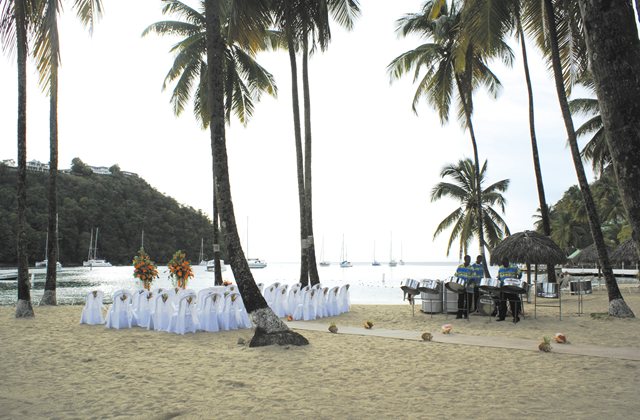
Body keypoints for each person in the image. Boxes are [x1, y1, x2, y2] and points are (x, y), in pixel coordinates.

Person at [497, 257, 522, 323]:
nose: (504, 264)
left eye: (505, 263)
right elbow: (499, 277)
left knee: (513, 303)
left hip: (511, 288)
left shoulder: (514, 267)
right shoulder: (500, 268)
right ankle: (502, 317)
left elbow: (520, 274)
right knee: (502, 303)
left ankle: (516, 317)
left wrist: (516, 281)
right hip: (503, 288)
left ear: (508, 261)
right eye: (502, 263)